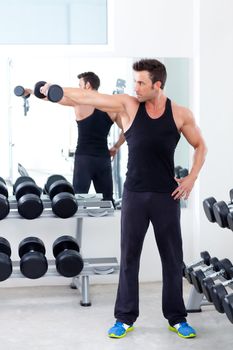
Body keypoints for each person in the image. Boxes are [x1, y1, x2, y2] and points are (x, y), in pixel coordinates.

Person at [41, 59, 207, 339]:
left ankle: (177, 318)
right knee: (130, 257)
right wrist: (54, 89)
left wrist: (191, 177)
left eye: (141, 83)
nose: (136, 87)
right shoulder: (128, 105)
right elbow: (88, 96)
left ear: (158, 85)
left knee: (172, 258)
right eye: (135, 82)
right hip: (134, 195)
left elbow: (200, 145)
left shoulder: (180, 114)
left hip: (166, 196)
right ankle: (124, 317)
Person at [28, 72, 125, 204]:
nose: (78, 88)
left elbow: (52, 96)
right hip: (103, 159)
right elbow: (127, 129)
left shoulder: (79, 103)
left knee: (78, 200)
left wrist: (32, 91)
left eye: (80, 85)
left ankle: (79, 225)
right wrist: (116, 146)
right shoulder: (112, 106)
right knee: (107, 201)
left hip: (84, 158)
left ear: (87, 85)